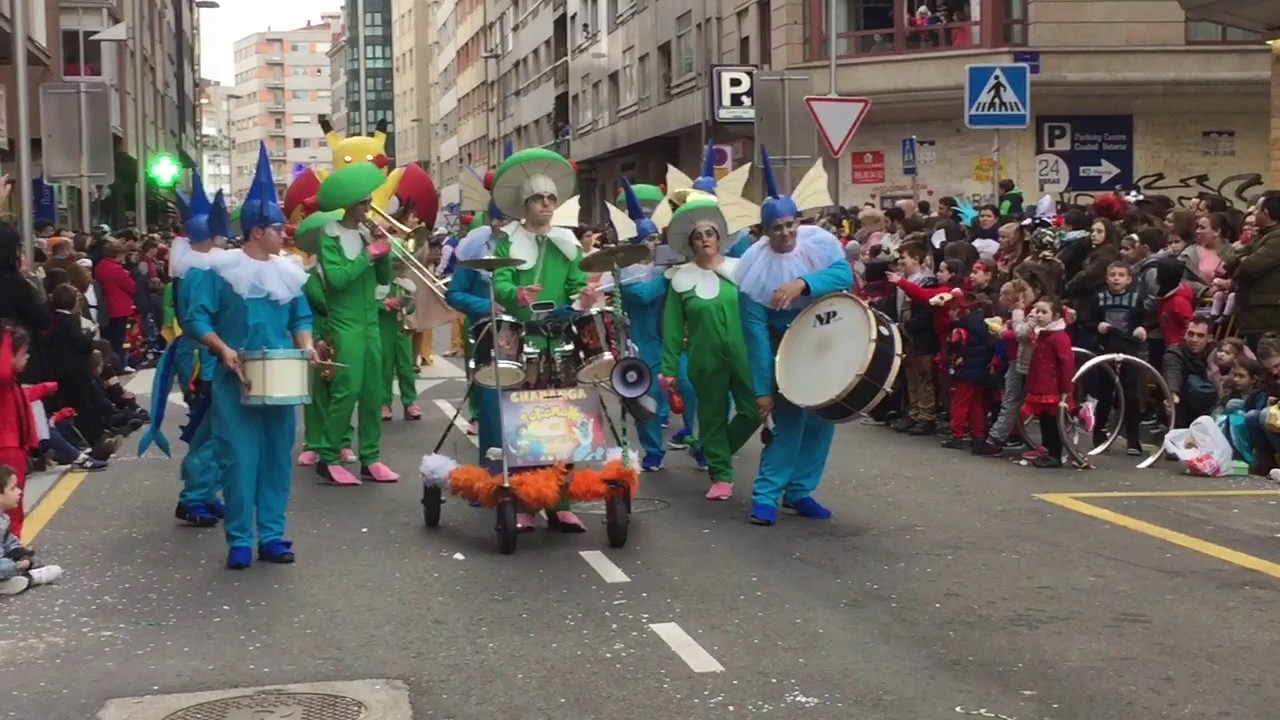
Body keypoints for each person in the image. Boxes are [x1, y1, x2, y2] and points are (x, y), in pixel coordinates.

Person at [184, 143, 315, 570]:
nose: (285, 234)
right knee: (238, 460)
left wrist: (308, 346)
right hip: (234, 377)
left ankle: (272, 537)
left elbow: (302, 316)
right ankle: (240, 539)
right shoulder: (220, 271)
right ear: (257, 230)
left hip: (281, 376)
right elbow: (197, 319)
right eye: (278, 228)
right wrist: (222, 350)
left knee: (278, 458)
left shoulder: (288, 272)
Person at [736, 149, 852, 525]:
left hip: (823, 346)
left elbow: (844, 277)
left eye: (790, 225)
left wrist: (804, 282)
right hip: (785, 356)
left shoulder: (817, 245)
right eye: (776, 228)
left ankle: (800, 491)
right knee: (788, 425)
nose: (785, 233)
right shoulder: (752, 273)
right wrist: (762, 389)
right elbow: (754, 334)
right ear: (764, 231)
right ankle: (766, 496)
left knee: (822, 423)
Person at [489, 147, 600, 532]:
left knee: (565, 422)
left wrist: (583, 295)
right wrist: (515, 294)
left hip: (561, 339)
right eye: (539, 199)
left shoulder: (567, 243)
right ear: (526, 204)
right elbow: (501, 280)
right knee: (527, 423)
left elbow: (575, 283)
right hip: (525, 340)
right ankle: (527, 500)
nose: (546, 205)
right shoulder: (508, 242)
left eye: (551, 199)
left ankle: (561, 501)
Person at [137, 173, 229, 527]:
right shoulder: (201, 272)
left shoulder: (191, 269)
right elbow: (201, 320)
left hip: (198, 355)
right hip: (202, 360)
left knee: (209, 431)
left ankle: (202, 494)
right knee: (214, 430)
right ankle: (194, 497)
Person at [659, 197, 760, 498]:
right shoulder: (681, 279)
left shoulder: (740, 269)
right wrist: (669, 368)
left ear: (719, 238)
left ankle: (713, 449)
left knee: (754, 410)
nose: (705, 240)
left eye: (710, 234)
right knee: (712, 415)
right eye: (698, 236)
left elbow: (760, 312)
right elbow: (673, 327)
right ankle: (721, 475)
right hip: (704, 356)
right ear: (691, 243)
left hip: (745, 354)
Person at [313, 162, 399, 485]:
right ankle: (329, 455)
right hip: (344, 323)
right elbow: (336, 279)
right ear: (350, 204)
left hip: (370, 323)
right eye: (364, 203)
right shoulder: (330, 235)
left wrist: (383, 252)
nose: (368, 208)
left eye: (369, 202)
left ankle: (372, 458)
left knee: (374, 391)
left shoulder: (366, 234)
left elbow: (384, 279)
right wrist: (367, 256)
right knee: (346, 391)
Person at [607, 179, 670, 472]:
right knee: (644, 398)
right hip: (637, 344)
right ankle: (653, 451)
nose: (655, 243)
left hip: (667, 340)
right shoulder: (624, 273)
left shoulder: (665, 264)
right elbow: (643, 297)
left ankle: (701, 446)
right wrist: (667, 277)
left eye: (656, 238)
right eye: (649, 239)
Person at [0, 465, 62, 594]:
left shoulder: (4, 518)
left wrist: (21, 555)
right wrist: (16, 565)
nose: (19, 491)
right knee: (6, 567)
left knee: (30, 558)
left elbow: (10, 542)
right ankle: (30, 578)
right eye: (12, 488)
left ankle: (12, 580)